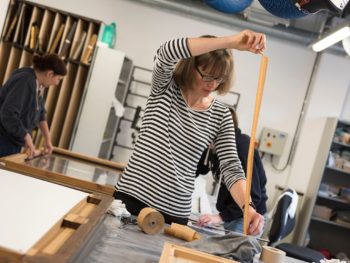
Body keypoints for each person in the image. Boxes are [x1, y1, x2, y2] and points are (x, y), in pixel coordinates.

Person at [114, 29, 266, 236]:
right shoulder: (165, 87)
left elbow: (231, 167)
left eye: (219, 79)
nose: (212, 84)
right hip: (131, 199)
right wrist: (231, 42)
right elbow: (167, 51)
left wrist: (248, 208)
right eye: (207, 76)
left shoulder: (221, 114)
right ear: (190, 65)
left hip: (173, 214)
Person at [197, 108, 268, 236]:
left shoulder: (242, 148)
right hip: (231, 212)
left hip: (248, 216)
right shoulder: (214, 145)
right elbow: (201, 168)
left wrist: (221, 217)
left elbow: (252, 195)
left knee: (232, 253)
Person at [0, 54, 67, 159]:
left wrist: (48, 140)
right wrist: (26, 136)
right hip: (4, 139)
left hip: (13, 141)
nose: (57, 83)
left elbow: (41, 114)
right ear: (50, 74)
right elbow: (8, 114)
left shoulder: (38, 85)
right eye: (58, 79)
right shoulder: (25, 80)